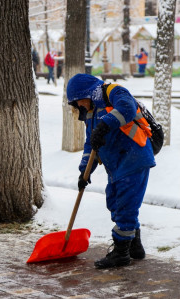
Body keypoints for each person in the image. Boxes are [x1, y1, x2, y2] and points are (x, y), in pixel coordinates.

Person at [66, 73, 156, 269]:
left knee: (125, 205)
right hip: (116, 164)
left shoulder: (113, 91)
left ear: (86, 93)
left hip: (134, 158)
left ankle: (121, 253)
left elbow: (127, 108)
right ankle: (134, 246)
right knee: (115, 202)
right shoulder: (90, 113)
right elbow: (91, 144)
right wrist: (84, 173)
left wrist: (105, 124)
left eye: (78, 100)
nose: (79, 105)